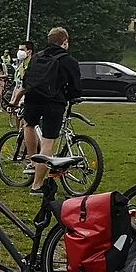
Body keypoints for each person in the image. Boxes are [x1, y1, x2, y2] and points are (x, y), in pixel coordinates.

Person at [17, 27, 81, 193]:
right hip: (54, 102)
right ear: (65, 42)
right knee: (48, 142)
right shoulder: (69, 61)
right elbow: (76, 88)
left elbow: (26, 80)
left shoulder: (37, 57)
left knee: (29, 125)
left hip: (33, 99)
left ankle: (32, 161)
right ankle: (37, 184)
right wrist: (70, 96)